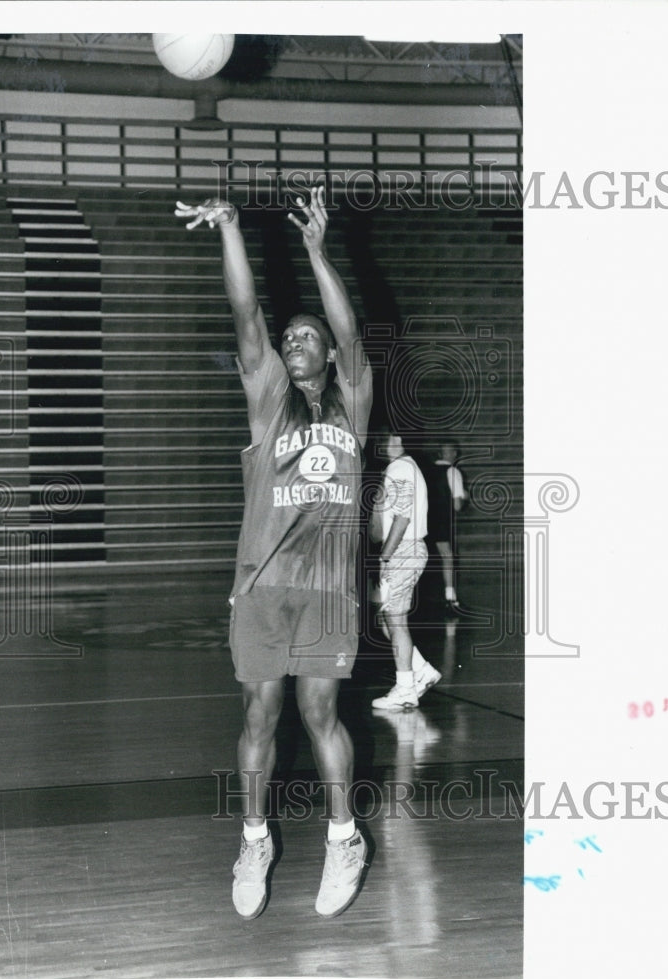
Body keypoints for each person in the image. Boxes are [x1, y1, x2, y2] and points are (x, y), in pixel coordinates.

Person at [175, 185, 372, 920]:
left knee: (319, 708)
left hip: (325, 591)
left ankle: (343, 839)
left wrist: (317, 252)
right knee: (260, 713)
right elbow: (245, 313)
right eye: (288, 337)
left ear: (325, 354)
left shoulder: (350, 403)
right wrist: (230, 228)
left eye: (306, 335)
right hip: (260, 587)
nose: (293, 340)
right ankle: (254, 838)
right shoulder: (267, 398)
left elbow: (353, 337)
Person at [370, 429, 442, 711]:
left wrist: (385, 557)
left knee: (395, 620)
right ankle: (421, 670)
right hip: (404, 549)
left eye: (394, 439)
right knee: (385, 619)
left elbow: (402, 517)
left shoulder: (400, 467)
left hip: (403, 549)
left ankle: (405, 689)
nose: (392, 444)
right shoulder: (400, 468)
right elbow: (382, 526)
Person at [426, 441, 467, 616]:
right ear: (453, 454)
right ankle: (450, 599)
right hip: (441, 521)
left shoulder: (425, 471)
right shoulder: (453, 472)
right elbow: (457, 505)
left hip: (423, 521)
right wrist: (465, 495)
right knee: (447, 557)